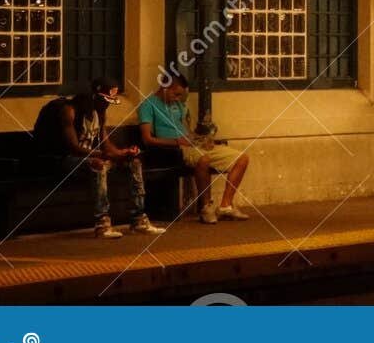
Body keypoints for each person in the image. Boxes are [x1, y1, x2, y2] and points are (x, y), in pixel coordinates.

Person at [33, 78, 165, 239]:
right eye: (105, 100)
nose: (107, 104)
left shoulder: (100, 114)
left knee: (134, 163)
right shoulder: (69, 110)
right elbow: (74, 147)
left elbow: (105, 144)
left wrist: (123, 153)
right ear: (95, 96)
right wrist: (103, 155)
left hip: (92, 157)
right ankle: (102, 223)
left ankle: (139, 219)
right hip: (64, 160)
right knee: (98, 165)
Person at [138, 71, 251, 223]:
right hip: (174, 150)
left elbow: (187, 130)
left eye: (180, 95)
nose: (177, 99)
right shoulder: (148, 105)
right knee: (203, 160)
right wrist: (177, 142)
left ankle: (226, 206)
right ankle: (206, 207)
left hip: (192, 144)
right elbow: (147, 139)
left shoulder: (178, 105)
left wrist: (201, 139)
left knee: (242, 158)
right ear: (165, 88)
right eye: (175, 94)